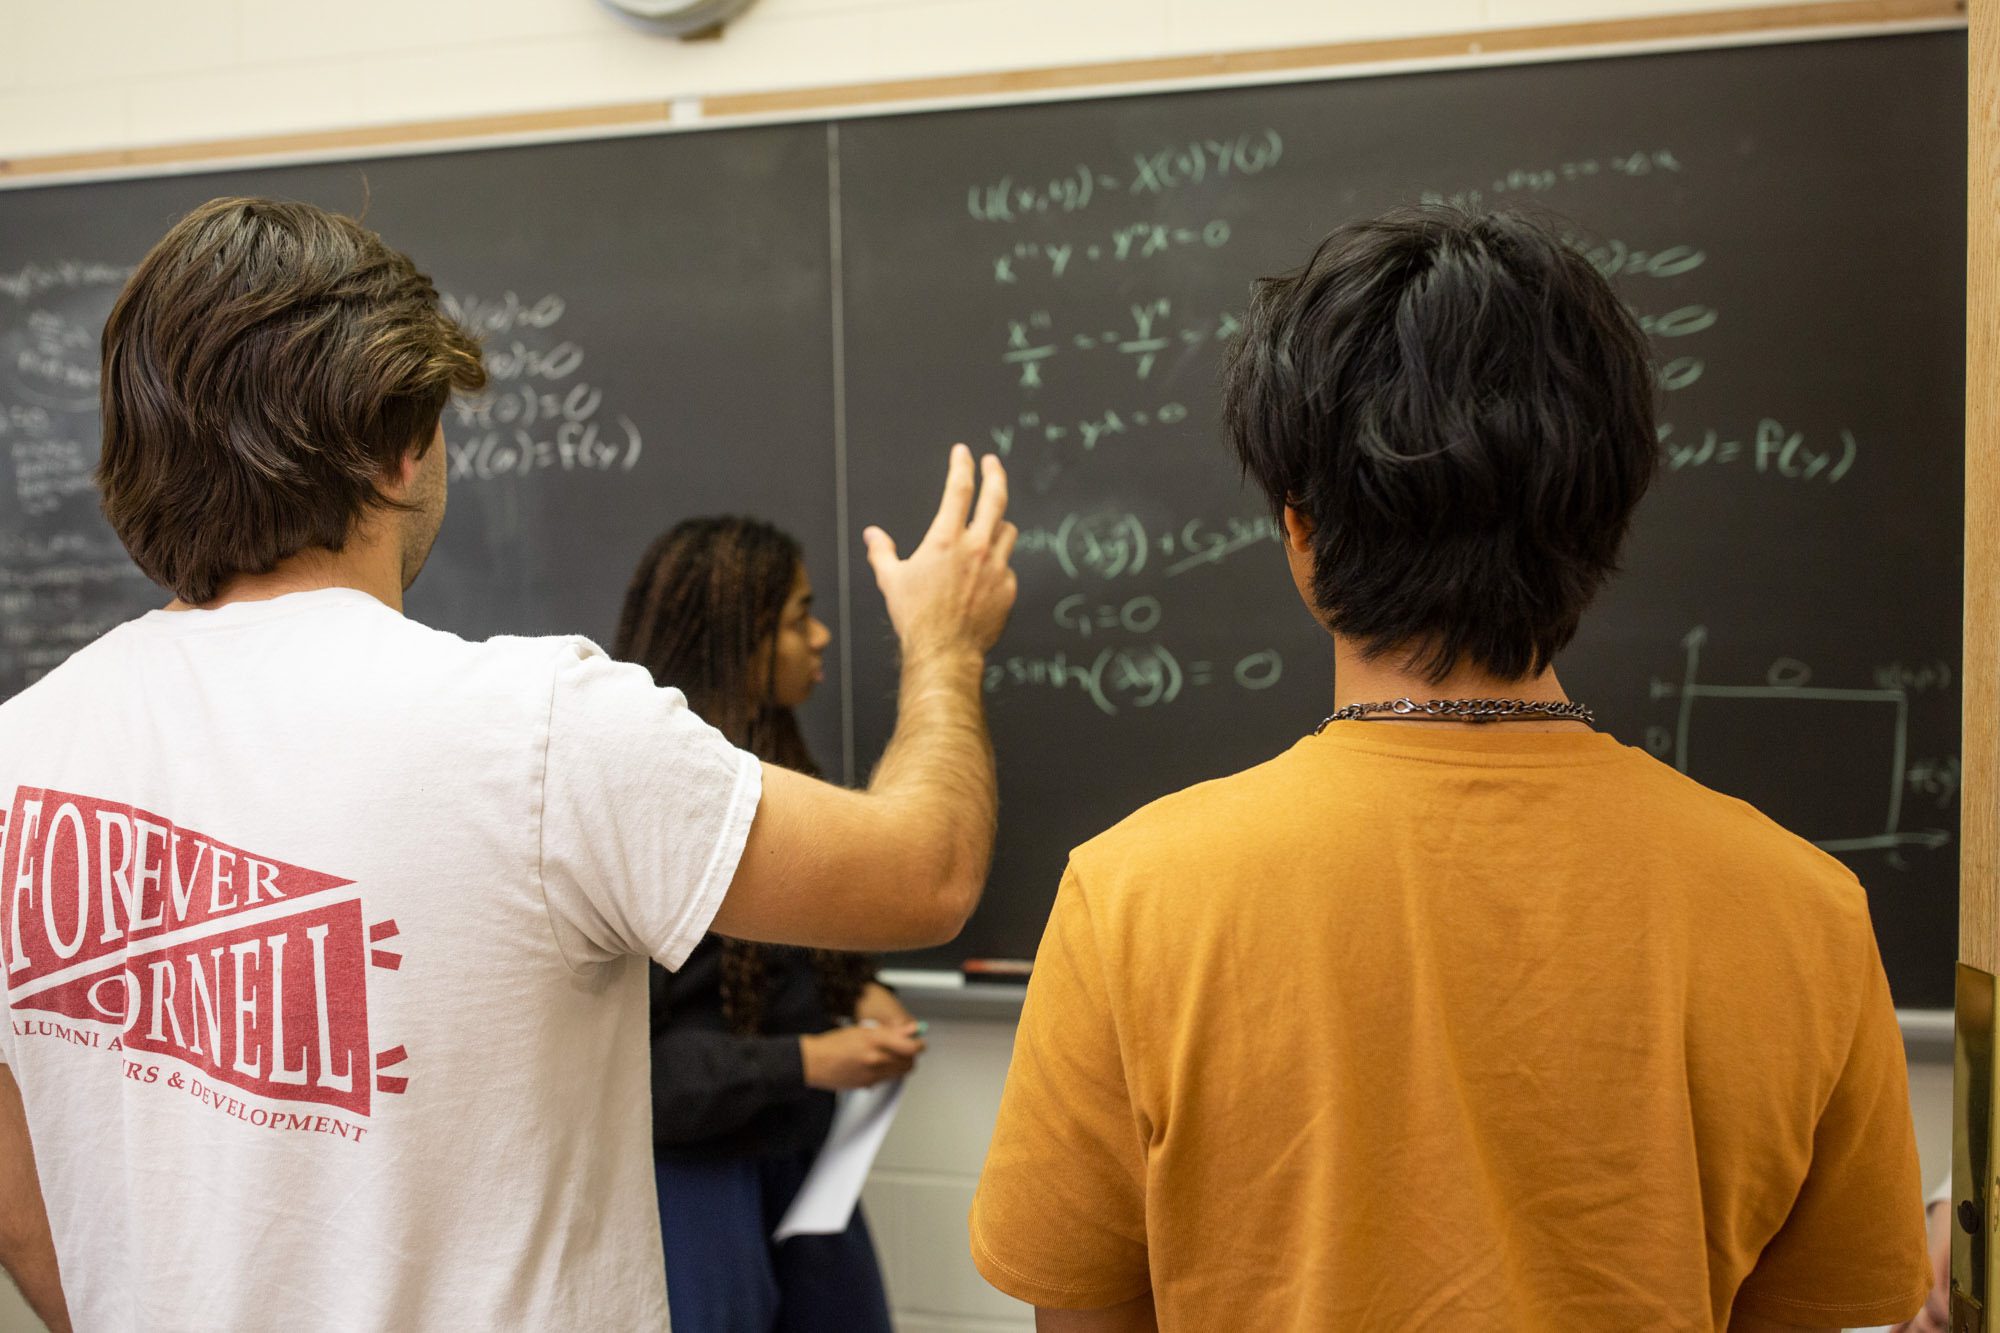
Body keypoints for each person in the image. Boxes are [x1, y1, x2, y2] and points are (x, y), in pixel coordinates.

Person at [0, 197, 1017, 1330]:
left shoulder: (16, 758)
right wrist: (942, 649)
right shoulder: (539, 732)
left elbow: (16, 1188)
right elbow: (926, 871)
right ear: (399, 445)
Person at [968, 205, 1930, 1331]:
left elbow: (1083, 1313)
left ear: (1299, 534)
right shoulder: (1803, 910)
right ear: (1602, 517)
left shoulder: (1130, 898)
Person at [613, 516, 912, 1332]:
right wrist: (807, 1057)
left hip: (801, 1158)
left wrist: (859, 988)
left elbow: (771, 957)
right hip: (698, 1173)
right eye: (795, 618)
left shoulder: (772, 760)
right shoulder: (644, 804)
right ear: (737, 640)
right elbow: (643, 1069)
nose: (820, 637)